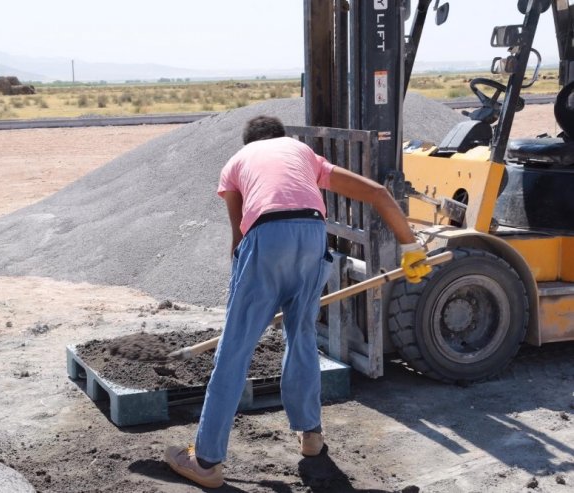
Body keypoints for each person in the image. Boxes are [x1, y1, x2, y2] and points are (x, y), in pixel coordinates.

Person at [164, 115, 432, 488]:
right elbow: (377, 193)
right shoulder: (303, 153)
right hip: (312, 236)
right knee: (302, 336)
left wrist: (246, 287)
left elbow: (239, 234)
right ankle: (311, 438)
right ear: (281, 138)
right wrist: (410, 246)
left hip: (266, 238)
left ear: (249, 143)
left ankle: (206, 462)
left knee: (234, 350)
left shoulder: (237, 163)